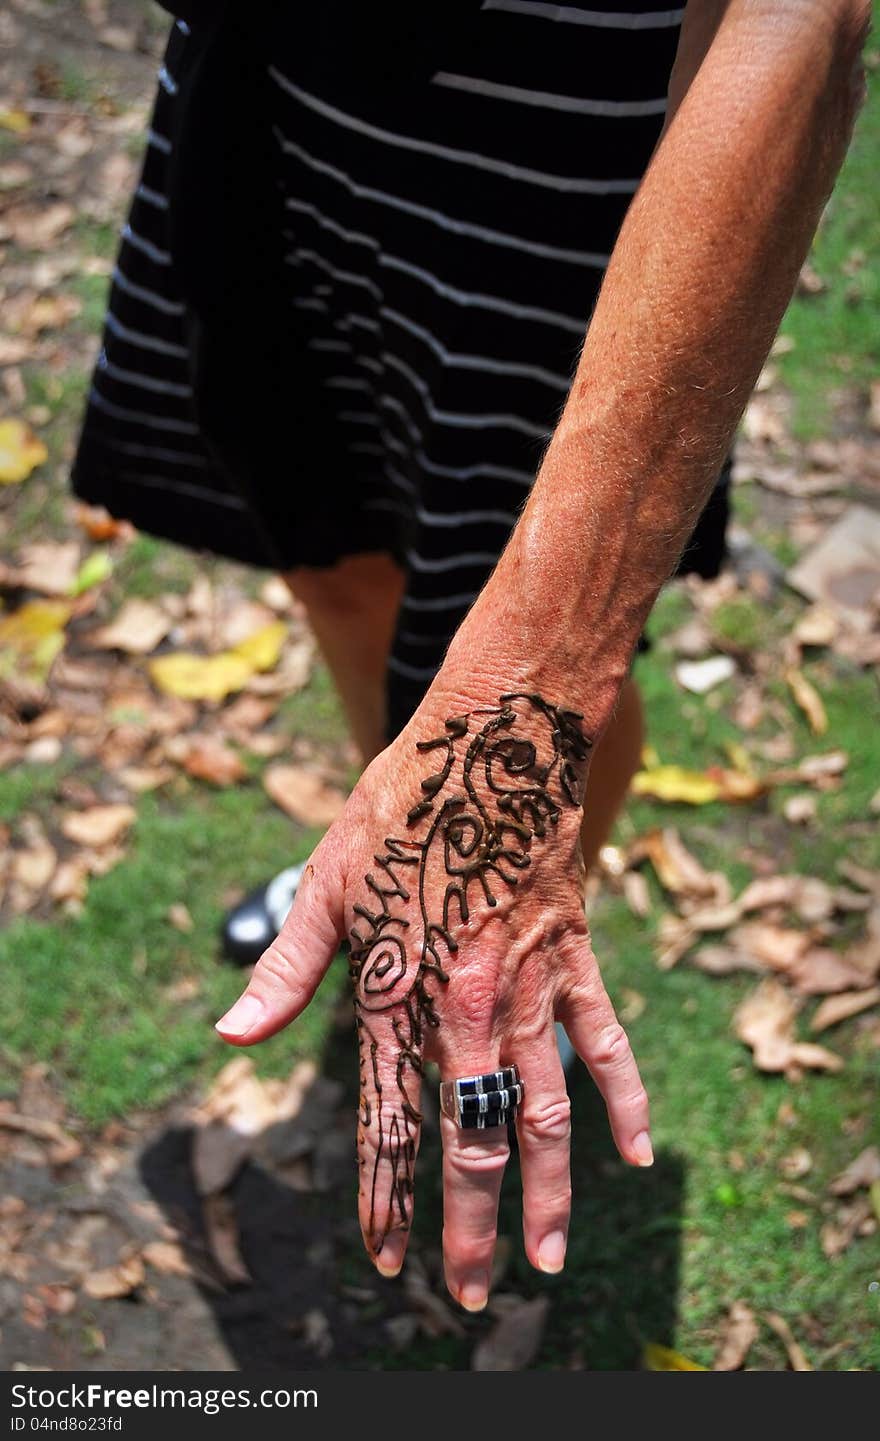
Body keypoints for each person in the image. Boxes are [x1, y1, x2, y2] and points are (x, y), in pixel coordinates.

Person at [72, 1, 868, 1311]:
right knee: (332, 554)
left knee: (517, 659)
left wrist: (541, 677)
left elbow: (804, 21)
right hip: (273, 93)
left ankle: (505, 941)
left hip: (566, 161)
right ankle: (380, 862)